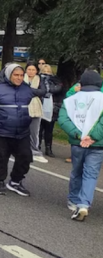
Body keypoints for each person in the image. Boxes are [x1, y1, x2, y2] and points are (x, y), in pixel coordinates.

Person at [0, 63, 35, 197]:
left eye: (21, 75)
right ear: (9, 75)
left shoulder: (26, 89)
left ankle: (15, 181)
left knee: (25, 156)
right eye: (16, 75)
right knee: (0, 156)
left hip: (22, 130)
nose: (19, 78)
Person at [59, 70, 103, 221]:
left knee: (77, 171)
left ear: (81, 83)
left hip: (77, 143)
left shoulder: (71, 100)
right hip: (97, 144)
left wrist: (78, 135)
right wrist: (93, 136)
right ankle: (84, 204)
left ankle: (73, 199)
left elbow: (63, 120)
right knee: (91, 174)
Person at [24, 63, 48, 163]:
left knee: (34, 131)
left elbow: (42, 91)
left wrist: (29, 90)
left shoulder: (40, 80)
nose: (31, 72)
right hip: (23, 107)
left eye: (33, 70)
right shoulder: (21, 79)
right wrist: (34, 91)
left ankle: (34, 150)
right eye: (29, 69)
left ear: (36, 71)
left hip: (35, 107)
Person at [39, 63, 63, 157]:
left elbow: (58, 89)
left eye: (48, 71)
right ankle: (37, 147)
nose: (46, 73)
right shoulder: (38, 80)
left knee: (49, 130)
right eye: (44, 71)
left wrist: (48, 88)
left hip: (52, 108)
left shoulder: (56, 81)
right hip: (40, 107)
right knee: (39, 129)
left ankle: (48, 148)